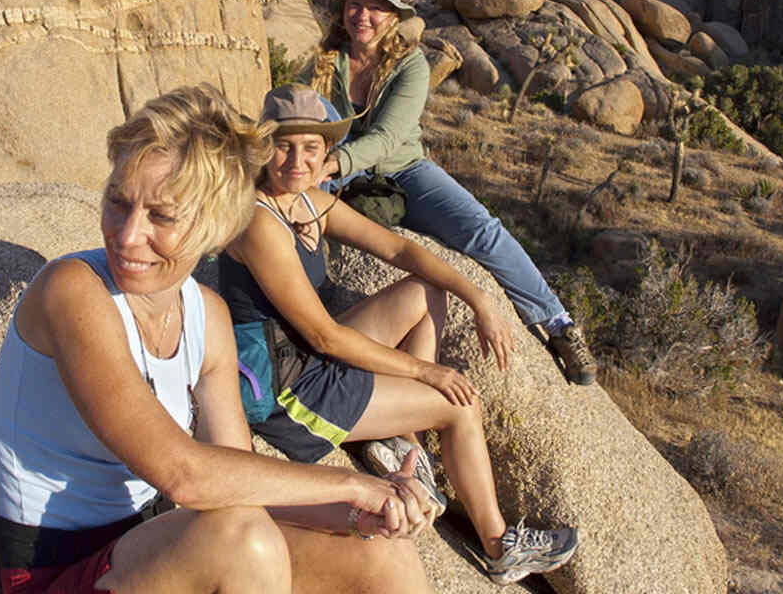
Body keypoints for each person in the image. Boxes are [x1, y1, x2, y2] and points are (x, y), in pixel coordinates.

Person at [0, 84, 439, 594]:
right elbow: (184, 474)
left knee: (386, 557)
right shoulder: (72, 291)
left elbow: (239, 482)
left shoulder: (208, 316)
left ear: (214, 224)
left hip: (159, 543)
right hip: (55, 571)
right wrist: (355, 484)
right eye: (118, 201)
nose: (127, 234)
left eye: (161, 215)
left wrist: (362, 514)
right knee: (245, 543)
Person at [219, 84, 578, 586]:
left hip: (307, 357)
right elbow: (323, 336)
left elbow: (400, 251)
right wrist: (426, 373)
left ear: (327, 152)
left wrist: (479, 298)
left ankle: (401, 439)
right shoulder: (258, 220)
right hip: (289, 391)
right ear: (263, 147)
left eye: (311, 148)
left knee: (424, 292)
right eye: (284, 145)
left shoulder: (311, 203)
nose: (296, 160)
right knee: (459, 405)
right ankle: (500, 547)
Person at [300, 0, 597, 385]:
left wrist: (329, 164)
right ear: (342, 10)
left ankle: (557, 323)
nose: (362, 16)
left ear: (393, 16)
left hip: (400, 169)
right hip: (338, 173)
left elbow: (387, 139)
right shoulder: (325, 63)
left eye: (375, 7)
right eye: (355, 5)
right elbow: (299, 117)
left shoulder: (410, 66)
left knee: (480, 229)